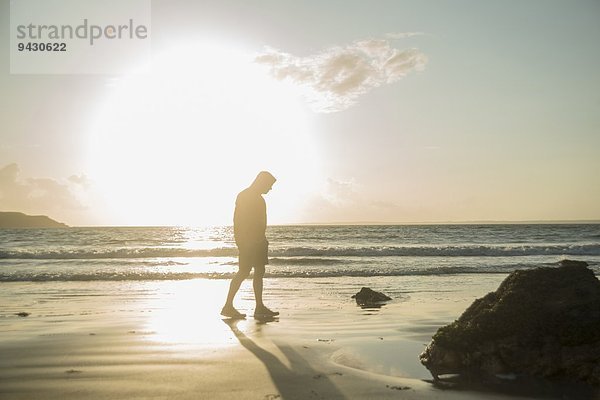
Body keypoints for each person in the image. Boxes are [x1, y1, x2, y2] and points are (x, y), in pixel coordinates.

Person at [221, 171, 280, 319]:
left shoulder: (259, 199)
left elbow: (261, 221)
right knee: (243, 272)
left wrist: (262, 238)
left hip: (258, 241)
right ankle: (228, 306)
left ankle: (259, 307)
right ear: (262, 182)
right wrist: (242, 241)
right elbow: (238, 221)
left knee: (258, 272)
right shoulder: (245, 196)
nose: (270, 189)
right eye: (269, 185)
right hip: (249, 242)